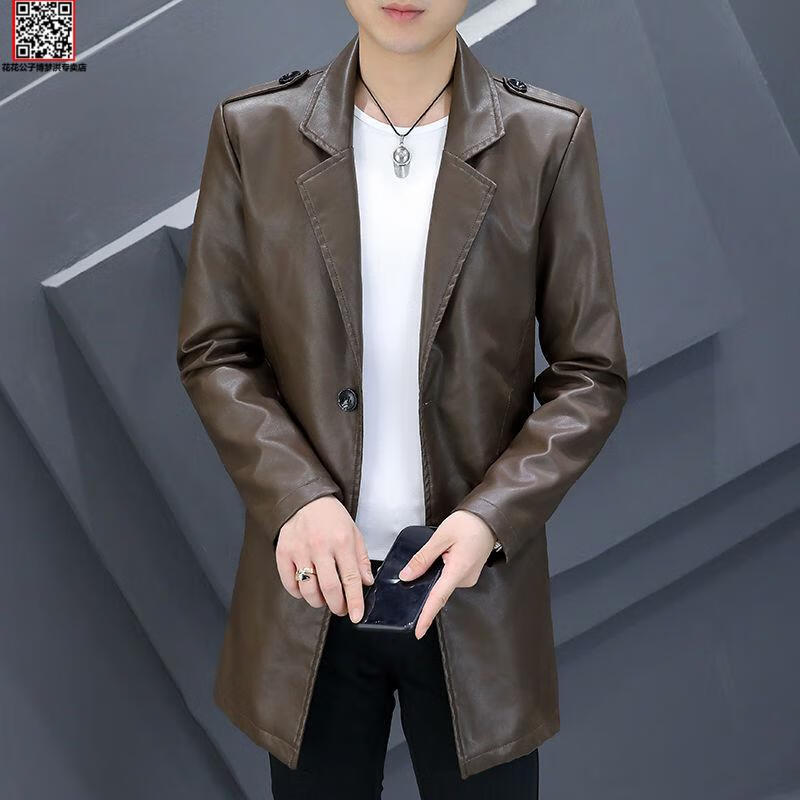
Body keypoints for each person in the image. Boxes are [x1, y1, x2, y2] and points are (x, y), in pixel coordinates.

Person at [176, 1, 628, 797]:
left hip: (473, 592)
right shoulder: (254, 133)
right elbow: (216, 348)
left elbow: (590, 372)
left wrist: (490, 518)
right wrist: (296, 496)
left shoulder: (545, 139)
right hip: (312, 590)